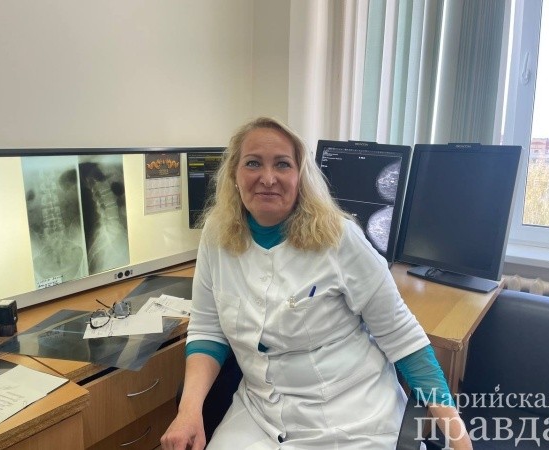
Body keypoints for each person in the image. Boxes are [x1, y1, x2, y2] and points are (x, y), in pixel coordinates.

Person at [161, 117, 472, 449]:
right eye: (253, 163)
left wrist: (458, 438)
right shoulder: (216, 234)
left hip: (351, 417)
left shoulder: (339, 237)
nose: (268, 178)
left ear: (301, 177)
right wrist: (189, 411)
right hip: (259, 415)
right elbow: (208, 330)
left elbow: (403, 338)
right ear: (234, 175)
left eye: (283, 164)